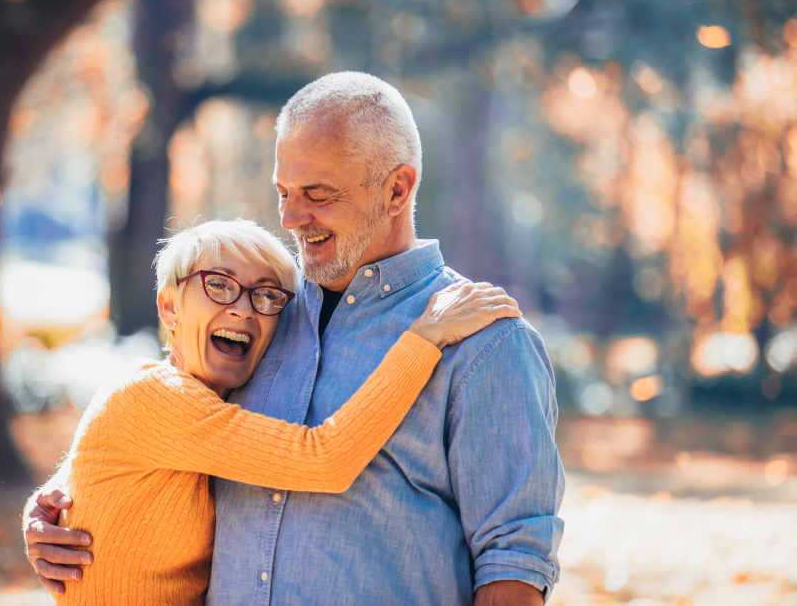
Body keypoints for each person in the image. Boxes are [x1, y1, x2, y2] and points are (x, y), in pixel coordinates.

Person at [24, 72, 565, 606]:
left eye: (317, 193)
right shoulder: (259, 321)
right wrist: (54, 508)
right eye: (283, 191)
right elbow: (163, 432)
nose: (289, 215)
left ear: (397, 188)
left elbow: (513, 564)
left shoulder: (483, 341)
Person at [33, 218, 520, 605]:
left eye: (267, 295)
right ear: (169, 307)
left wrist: (49, 504)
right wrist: (423, 338)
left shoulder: (217, 402)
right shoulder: (151, 395)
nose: (245, 309)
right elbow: (322, 459)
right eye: (219, 285)